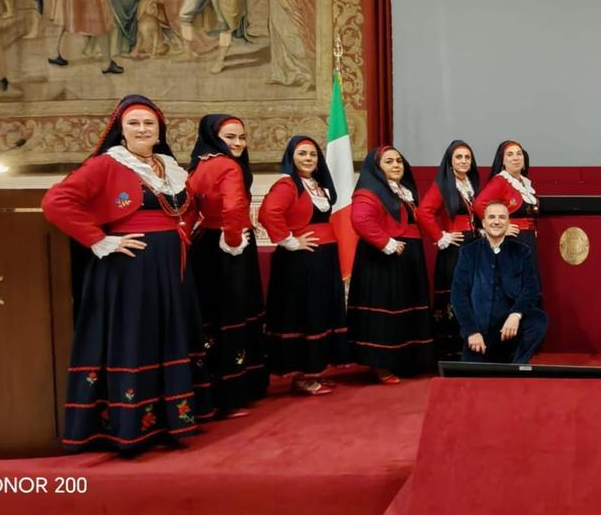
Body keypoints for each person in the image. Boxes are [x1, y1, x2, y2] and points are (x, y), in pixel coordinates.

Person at [42, 95, 210, 452]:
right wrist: (101, 240)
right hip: (131, 269)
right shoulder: (106, 164)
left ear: (159, 130)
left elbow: (184, 208)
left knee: (166, 338)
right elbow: (56, 202)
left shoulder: (168, 165)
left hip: (170, 268)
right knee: (136, 338)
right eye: (133, 123)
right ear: (121, 130)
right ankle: (129, 429)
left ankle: (170, 423)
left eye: (149, 123)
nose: (142, 129)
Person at [186, 114, 268, 418]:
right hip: (228, 246)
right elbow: (233, 208)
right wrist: (235, 239)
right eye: (230, 137)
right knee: (234, 313)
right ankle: (233, 394)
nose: (237, 143)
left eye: (241, 137)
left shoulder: (199, 165)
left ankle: (212, 392)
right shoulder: (230, 166)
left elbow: (189, 208)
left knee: (212, 315)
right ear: (214, 137)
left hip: (204, 243)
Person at [259, 136, 350, 396]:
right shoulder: (288, 185)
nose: (308, 158)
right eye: (302, 154)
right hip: (302, 262)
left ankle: (314, 369)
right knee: (304, 314)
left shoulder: (316, 185)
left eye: (313, 154)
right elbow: (268, 212)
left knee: (319, 313)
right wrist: (289, 240)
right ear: (291, 157)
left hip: (322, 259)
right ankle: (301, 376)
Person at [347, 146, 435, 383]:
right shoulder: (370, 191)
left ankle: (405, 357)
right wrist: (386, 242)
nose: (396, 165)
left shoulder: (403, 191)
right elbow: (360, 219)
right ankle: (381, 364)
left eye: (399, 161)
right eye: (389, 162)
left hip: (407, 257)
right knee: (387, 306)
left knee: (406, 304)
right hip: (383, 260)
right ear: (377, 167)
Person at [451, 201, 549, 364]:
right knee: (469, 382)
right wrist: (471, 331)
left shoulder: (522, 251)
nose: (497, 221)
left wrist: (516, 314)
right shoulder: (468, 253)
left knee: (538, 320)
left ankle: (516, 365)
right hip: (480, 335)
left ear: (508, 222)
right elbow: (458, 296)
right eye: (492, 217)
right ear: (484, 223)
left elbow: (531, 288)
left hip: (509, 330)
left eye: (502, 217)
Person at [418, 140, 481, 359]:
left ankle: (473, 343)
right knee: (457, 294)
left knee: (474, 292)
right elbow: (423, 213)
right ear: (450, 162)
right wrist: (441, 236)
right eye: (459, 157)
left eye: (467, 157)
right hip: (456, 247)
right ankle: (452, 349)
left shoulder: (473, 184)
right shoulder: (443, 185)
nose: (464, 161)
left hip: (475, 245)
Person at [475, 140, 539, 256]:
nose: (516, 158)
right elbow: (479, 204)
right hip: (512, 240)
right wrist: (500, 227)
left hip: (528, 240)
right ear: (502, 161)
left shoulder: (525, 184)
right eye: (510, 154)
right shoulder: (500, 181)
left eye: (519, 154)